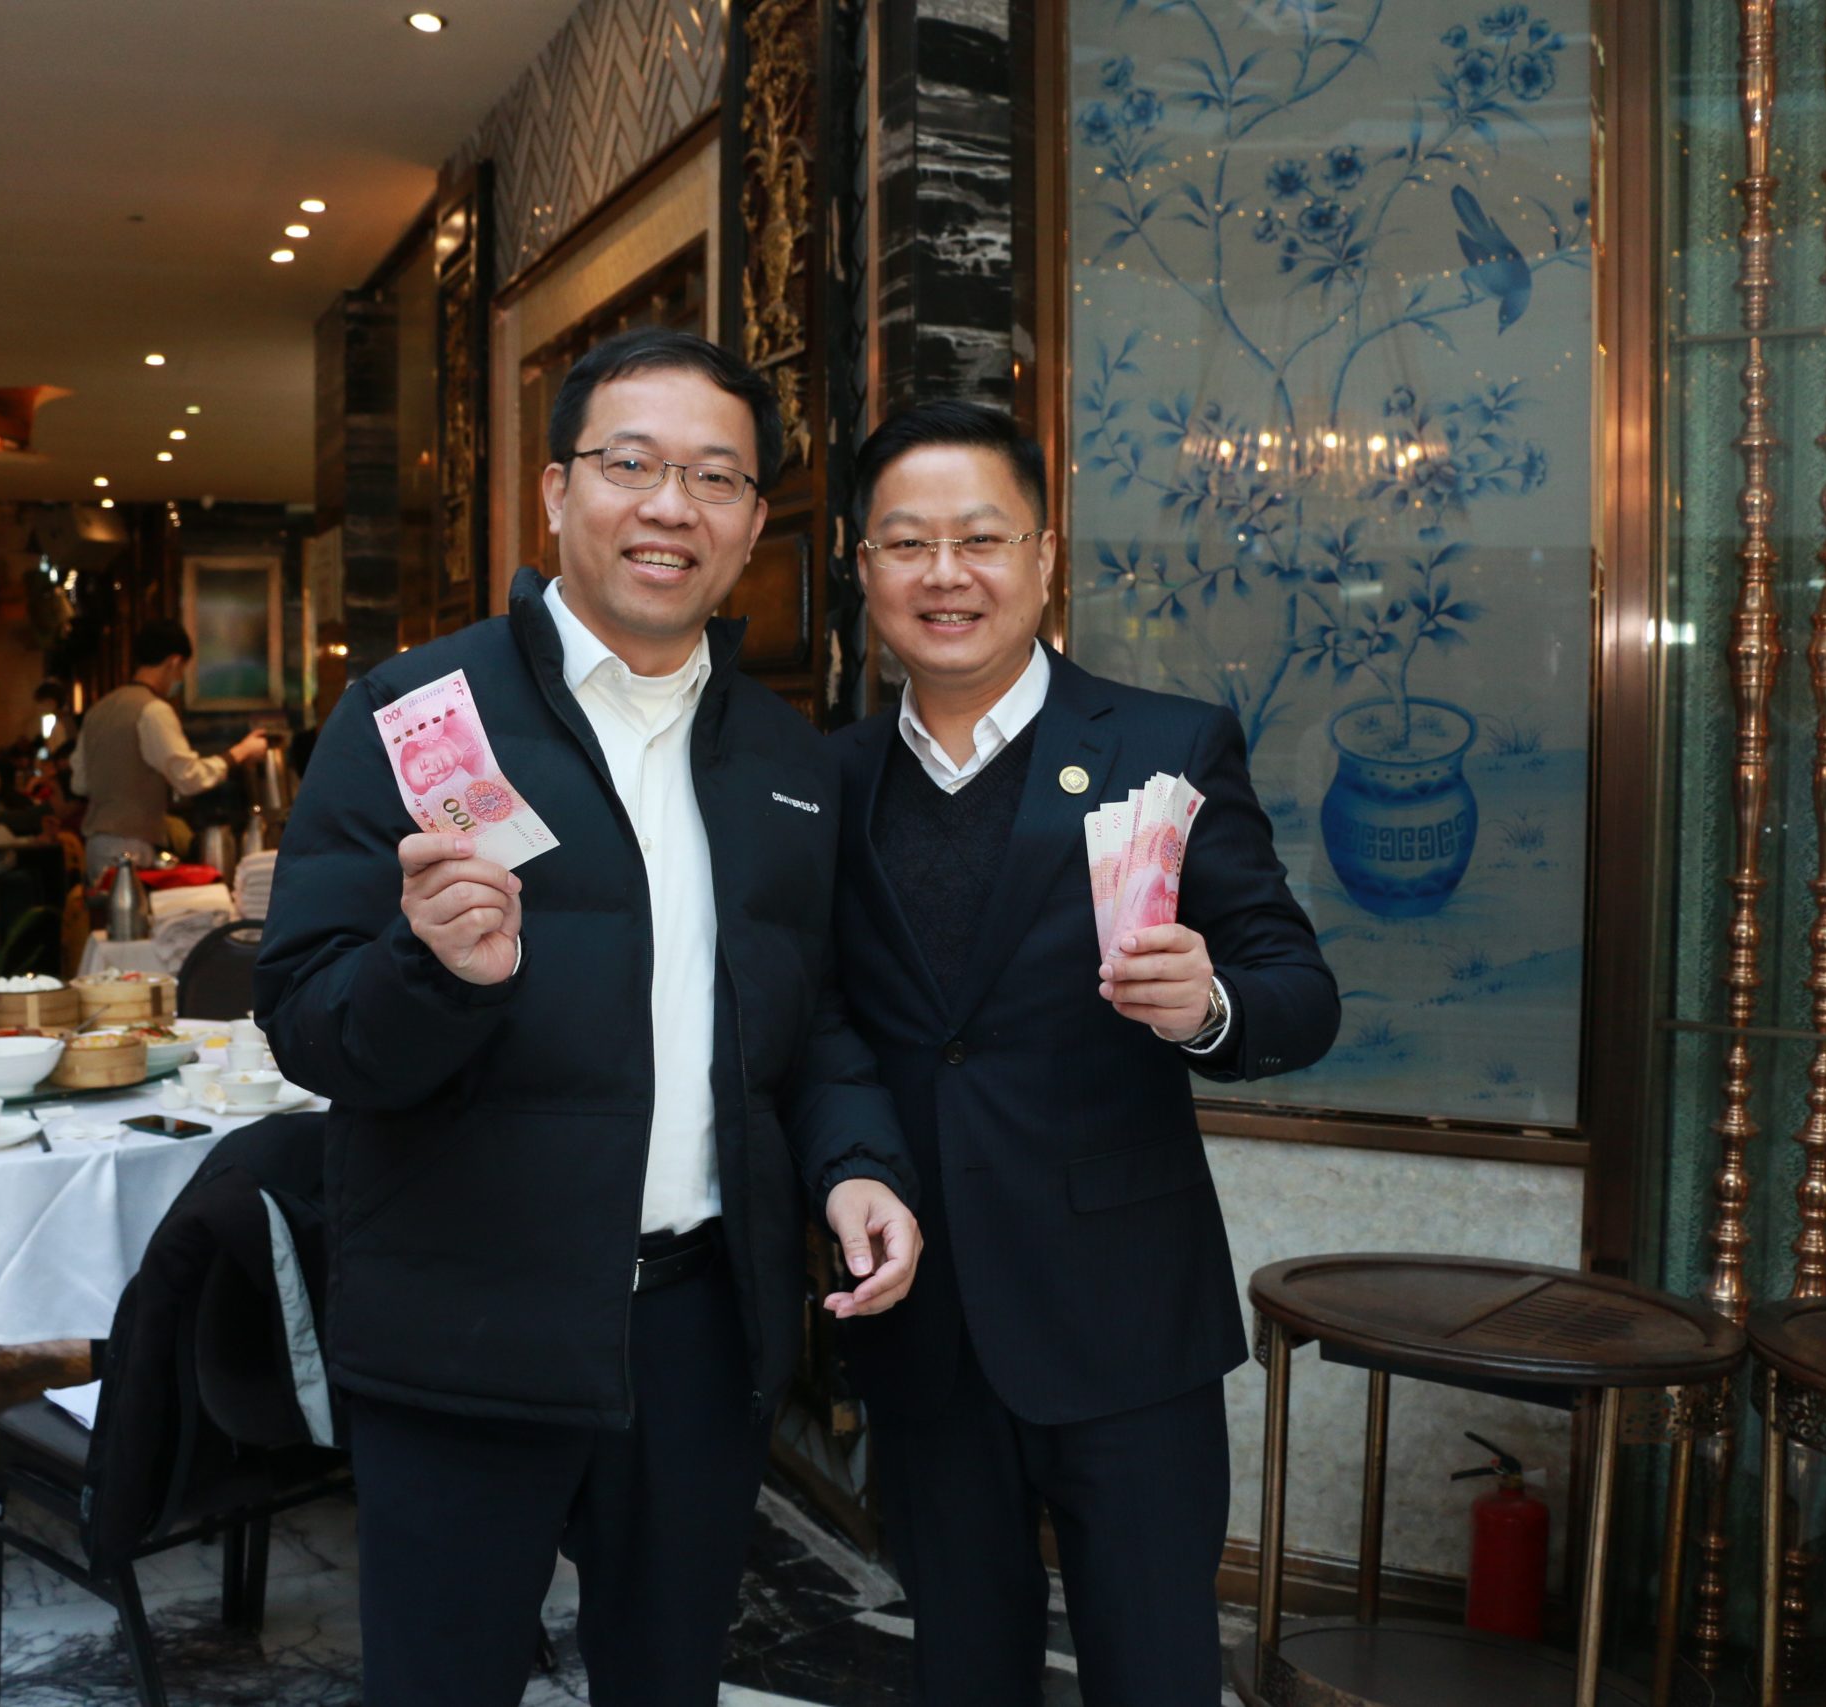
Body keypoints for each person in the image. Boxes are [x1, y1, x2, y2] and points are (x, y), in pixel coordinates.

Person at [256, 327, 923, 1707]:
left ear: (753, 524)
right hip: (464, 1323)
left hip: (698, 1332)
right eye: (632, 464)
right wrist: (432, 968)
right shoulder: (413, 714)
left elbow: (816, 1020)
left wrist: (859, 1164)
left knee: (667, 1680)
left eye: (716, 477)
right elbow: (310, 1025)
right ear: (557, 490)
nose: (672, 505)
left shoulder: (788, 761)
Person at [829, 402, 1339, 1705]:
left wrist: (1208, 1003)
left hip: (1123, 1319)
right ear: (863, 566)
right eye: (907, 543)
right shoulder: (826, 781)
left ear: (1045, 557)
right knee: (963, 1670)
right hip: (925, 1321)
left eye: (981, 538)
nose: (946, 574)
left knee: (1154, 1670)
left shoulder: (1164, 745)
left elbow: (1298, 989)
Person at [71, 619, 268, 882]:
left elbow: (80, 783)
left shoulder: (98, 709)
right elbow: (188, 777)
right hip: (130, 846)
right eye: (182, 670)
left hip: (96, 844)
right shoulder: (153, 710)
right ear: (174, 662)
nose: (180, 679)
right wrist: (240, 752)